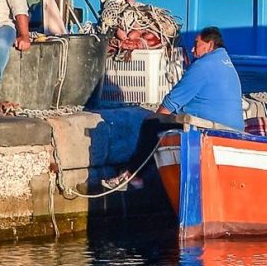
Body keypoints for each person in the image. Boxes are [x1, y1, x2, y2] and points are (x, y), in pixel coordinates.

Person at [103, 26, 243, 190]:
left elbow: (170, 103)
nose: (192, 49)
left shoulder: (202, 66)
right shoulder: (226, 63)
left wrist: (158, 120)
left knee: (152, 123)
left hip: (209, 127)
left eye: (196, 44)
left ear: (210, 45)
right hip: (233, 129)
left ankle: (134, 174)